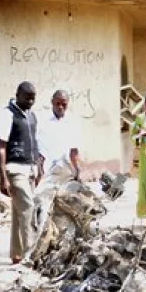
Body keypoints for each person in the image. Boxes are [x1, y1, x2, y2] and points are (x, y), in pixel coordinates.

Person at [0, 81, 41, 264]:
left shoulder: (32, 115)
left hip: (29, 169)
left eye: (33, 98)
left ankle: (17, 254)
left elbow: (34, 143)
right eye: (27, 98)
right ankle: (31, 254)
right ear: (17, 95)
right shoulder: (8, 115)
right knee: (29, 208)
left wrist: (38, 167)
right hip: (14, 169)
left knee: (18, 212)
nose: (30, 101)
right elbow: (1, 146)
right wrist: (3, 177)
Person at [35, 90, 82, 229]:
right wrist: (39, 170)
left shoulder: (72, 122)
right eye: (58, 103)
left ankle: (60, 234)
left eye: (64, 104)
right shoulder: (43, 121)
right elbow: (38, 149)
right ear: (52, 102)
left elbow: (74, 150)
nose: (60, 107)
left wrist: (77, 170)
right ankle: (42, 234)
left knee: (64, 206)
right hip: (47, 171)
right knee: (43, 205)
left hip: (66, 171)